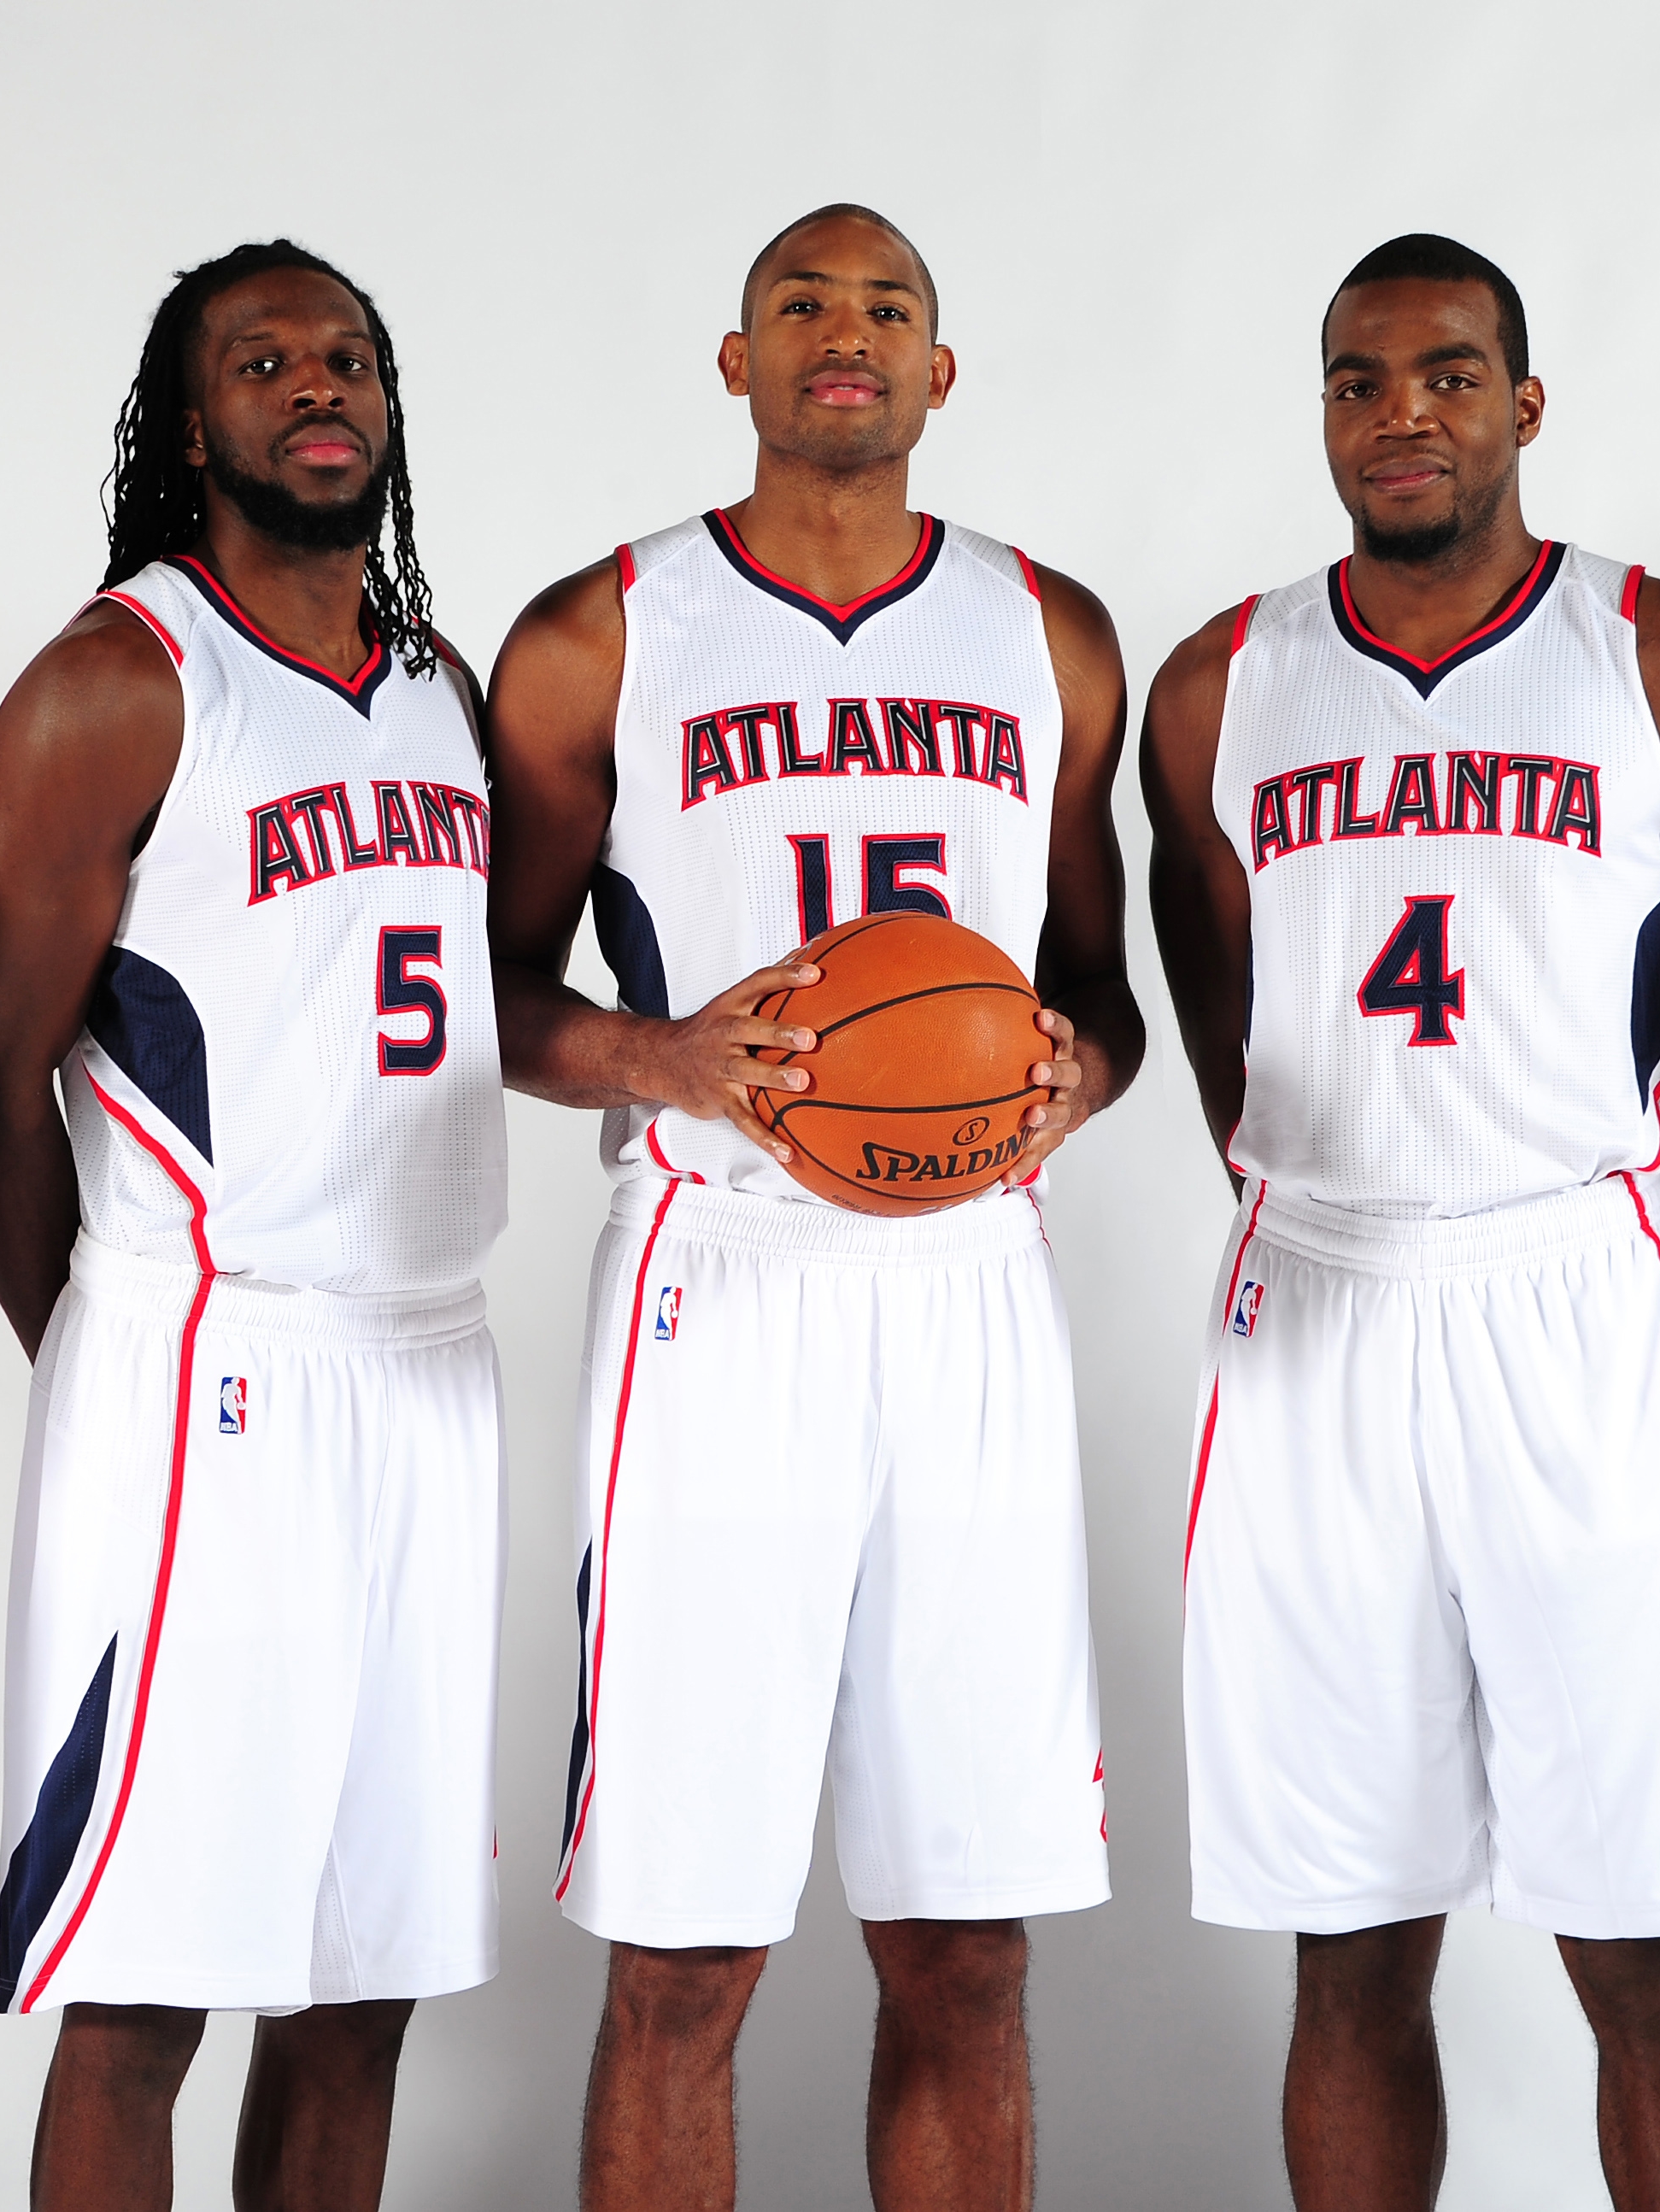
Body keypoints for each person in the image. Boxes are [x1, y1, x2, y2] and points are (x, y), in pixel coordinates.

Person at [1139, 233, 1660, 2212]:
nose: (1400, 413)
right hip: (1319, 1304)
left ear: (1522, 403)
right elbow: (1224, 1023)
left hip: (1581, 1294)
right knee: (1347, 1933)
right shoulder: (1217, 682)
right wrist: (1337, 1202)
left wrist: (1626, 1273)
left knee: (1643, 1934)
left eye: (1446, 373)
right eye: (1356, 379)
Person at [484, 202, 1141, 2212]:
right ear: (736, 359)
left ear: (938, 370)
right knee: (687, 1953)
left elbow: (1104, 990)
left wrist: (1079, 1076)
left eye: (883, 308)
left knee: (964, 1938)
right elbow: (481, 993)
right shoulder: (601, 629)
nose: (840, 333)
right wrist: (664, 1057)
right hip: (719, 1279)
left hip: (969, 1282)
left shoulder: (1047, 629)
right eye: (798, 303)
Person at [0, 242, 506, 2212]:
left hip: (428, 1365)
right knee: (144, 1987)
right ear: (190, 429)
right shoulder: (117, 683)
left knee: (360, 1985)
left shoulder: (436, 685)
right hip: (207, 1366)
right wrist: (113, 1360)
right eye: (261, 362)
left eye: (345, 354)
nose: (315, 384)